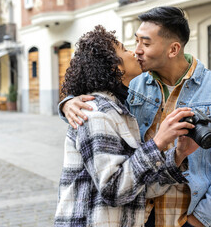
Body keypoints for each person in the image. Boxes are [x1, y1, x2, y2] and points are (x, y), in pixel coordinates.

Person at [60, 7, 211, 227]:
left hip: (182, 215)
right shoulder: (131, 82)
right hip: (132, 212)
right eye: (136, 41)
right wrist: (68, 102)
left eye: (146, 44)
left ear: (173, 49)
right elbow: (96, 107)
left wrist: (200, 219)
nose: (137, 50)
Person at [54, 25, 200, 227]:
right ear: (115, 66)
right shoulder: (95, 113)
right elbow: (113, 190)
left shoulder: (117, 110)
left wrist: (178, 156)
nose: (134, 52)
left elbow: (138, 186)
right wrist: (158, 142)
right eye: (124, 49)